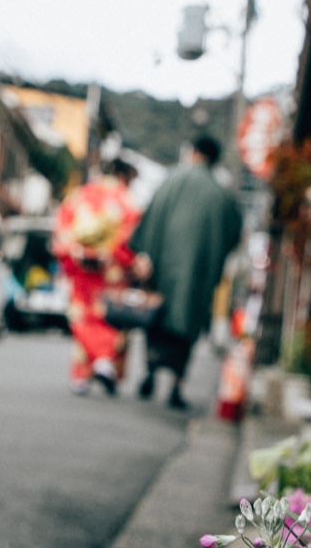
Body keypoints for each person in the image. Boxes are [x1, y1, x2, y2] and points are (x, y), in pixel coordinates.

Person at [129, 136, 242, 411]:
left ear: (193, 152)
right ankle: (178, 385)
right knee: (187, 330)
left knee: (156, 321)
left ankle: (149, 373)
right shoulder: (223, 195)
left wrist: (146, 254)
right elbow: (233, 235)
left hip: (163, 273)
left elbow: (151, 217)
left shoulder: (172, 180)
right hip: (198, 281)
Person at [52, 158, 140, 395]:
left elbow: (62, 232)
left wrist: (75, 255)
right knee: (109, 319)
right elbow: (130, 242)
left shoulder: (80, 195)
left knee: (82, 317)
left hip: (81, 269)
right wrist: (122, 260)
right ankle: (104, 362)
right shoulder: (127, 202)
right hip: (111, 272)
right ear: (126, 176)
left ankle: (81, 375)